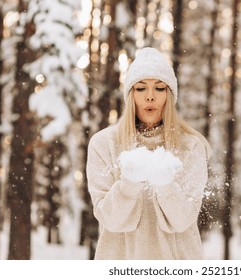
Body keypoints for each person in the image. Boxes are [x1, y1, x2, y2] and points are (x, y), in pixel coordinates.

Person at [86, 47, 211, 259]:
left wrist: (165, 184)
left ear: (170, 96)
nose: (150, 97)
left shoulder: (191, 146)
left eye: (160, 88)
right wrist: (128, 184)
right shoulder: (103, 144)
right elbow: (109, 218)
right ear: (130, 94)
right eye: (141, 88)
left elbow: (183, 219)